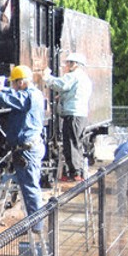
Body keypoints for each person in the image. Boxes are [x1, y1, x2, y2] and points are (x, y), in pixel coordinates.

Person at [0, 65, 47, 231]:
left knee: (30, 189)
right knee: (29, 187)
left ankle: (36, 226)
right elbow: (13, 94)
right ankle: (34, 224)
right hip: (27, 148)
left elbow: (14, 98)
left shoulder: (29, 96)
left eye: (13, 84)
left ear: (21, 82)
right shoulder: (32, 93)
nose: (12, 87)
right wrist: (3, 90)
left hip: (27, 151)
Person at [43, 52, 93, 181]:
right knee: (77, 142)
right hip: (81, 114)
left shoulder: (73, 76)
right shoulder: (84, 78)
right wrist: (63, 96)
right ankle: (78, 171)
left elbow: (60, 85)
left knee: (70, 143)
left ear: (75, 64)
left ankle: (74, 173)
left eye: (69, 63)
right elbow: (75, 92)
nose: (66, 65)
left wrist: (47, 77)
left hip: (73, 114)